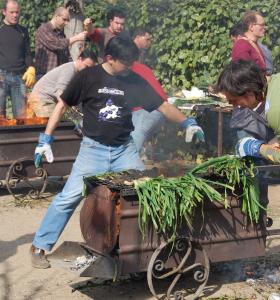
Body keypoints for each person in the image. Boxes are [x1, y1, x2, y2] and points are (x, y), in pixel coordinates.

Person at [30, 36, 205, 269]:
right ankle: (40, 246)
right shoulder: (88, 77)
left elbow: (162, 105)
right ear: (109, 58)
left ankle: (155, 247)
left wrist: (187, 123)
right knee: (68, 198)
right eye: (126, 63)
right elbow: (62, 105)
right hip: (93, 151)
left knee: (148, 194)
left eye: (133, 62)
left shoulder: (133, 80)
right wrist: (46, 139)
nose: (130, 67)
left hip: (125, 150)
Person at [215, 60, 280, 300]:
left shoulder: (278, 109)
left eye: (235, 101)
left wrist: (257, 147)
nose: (236, 107)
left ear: (250, 93)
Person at [28, 49, 97, 118]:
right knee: (53, 125)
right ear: (80, 59)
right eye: (86, 66)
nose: (88, 71)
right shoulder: (69, 70)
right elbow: (59, 92)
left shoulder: (78, 73)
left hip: (43, 99)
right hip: (42, 100)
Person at [0, 0, 35, 119]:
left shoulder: (23, 31)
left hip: (20, 77)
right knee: (0, 116)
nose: (15, 15)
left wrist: (30, 67)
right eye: (12, 12)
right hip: (1, 76)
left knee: (22, 117)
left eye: (17, 12)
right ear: (3, 12)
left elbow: (27, 53)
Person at [35, 6, 87, 78]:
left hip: (58, 75)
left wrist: (73, 68)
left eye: (68, 20)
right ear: (56, 16)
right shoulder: (44, 29)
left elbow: (66, 54)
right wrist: (77, 38)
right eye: (64, 19)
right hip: (44, 74)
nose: (66, 23)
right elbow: (57, 45)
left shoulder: (61, 33)